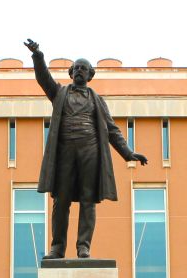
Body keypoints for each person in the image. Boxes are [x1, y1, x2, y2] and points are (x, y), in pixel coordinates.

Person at [24, 38, 148, 260]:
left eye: (84, 69)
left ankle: (83, 247)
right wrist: (38, 56)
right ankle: (58, 248)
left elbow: (111, 130)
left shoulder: (97, 100)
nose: (80, 71)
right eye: (77, 68)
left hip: (90, 151)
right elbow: (43, 79)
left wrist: (128, 153)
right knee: (60, 200)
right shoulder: (59, 93)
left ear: (90, 75)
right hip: (64, 152)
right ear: (71, 73)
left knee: (88, 199)